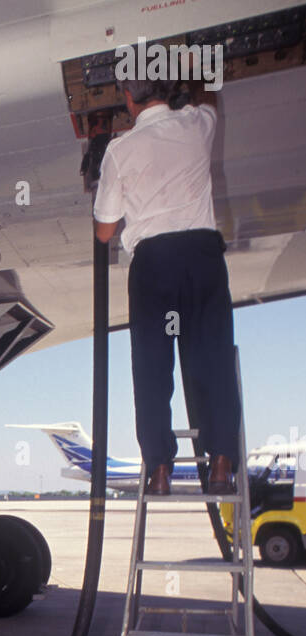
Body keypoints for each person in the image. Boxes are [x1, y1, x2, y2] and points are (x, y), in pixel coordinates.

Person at [93, 78, 240, 495]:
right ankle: (222, 463)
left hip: (155, 265)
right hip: (201, 257)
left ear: (127, 98)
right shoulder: (196, 124)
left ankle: (159, 469)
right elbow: (209, 97)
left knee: (153, 368)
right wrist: (194, 75)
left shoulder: (119, 151)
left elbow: (104, 232)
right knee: (211, 360)